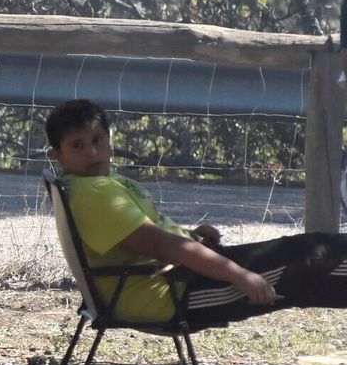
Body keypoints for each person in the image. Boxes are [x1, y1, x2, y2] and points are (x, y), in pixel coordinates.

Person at [46, 98, 347, 327]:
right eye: (78, 145)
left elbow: (154, 237)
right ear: (57, 154)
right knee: (311, 261)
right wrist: (240, 275)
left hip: (174, 281)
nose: (93, 152)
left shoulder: (102, 182)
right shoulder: (93, 194)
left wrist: (192, 234)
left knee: (312, 256)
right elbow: (163, 246)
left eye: (98, 140)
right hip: (169, 296)